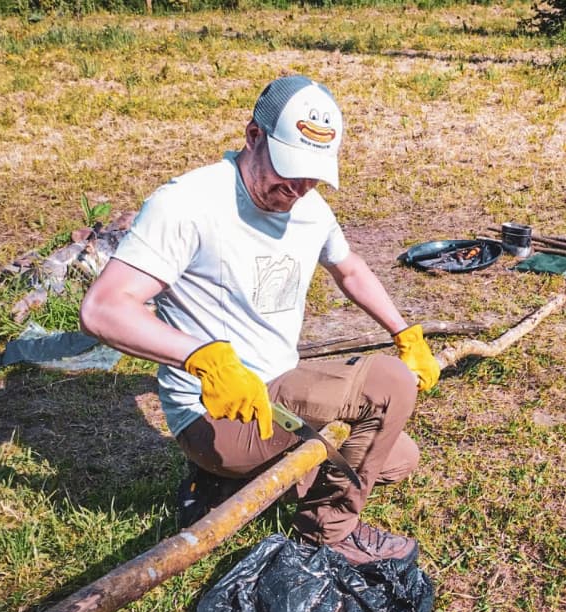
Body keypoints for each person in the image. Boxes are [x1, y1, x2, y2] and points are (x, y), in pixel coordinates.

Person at [79, 75, 440, 566]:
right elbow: (103, 308)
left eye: (312, 174)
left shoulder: (310, 208)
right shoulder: (190, 203)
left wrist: (405, 333)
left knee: (398, 458)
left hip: (278, 390)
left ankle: (228, 483)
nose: (297, 188)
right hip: (216, 416)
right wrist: (202, 358)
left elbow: (349, 267)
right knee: (388, 386)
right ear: (253, 136)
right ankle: (328, 532)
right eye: (288, 168)